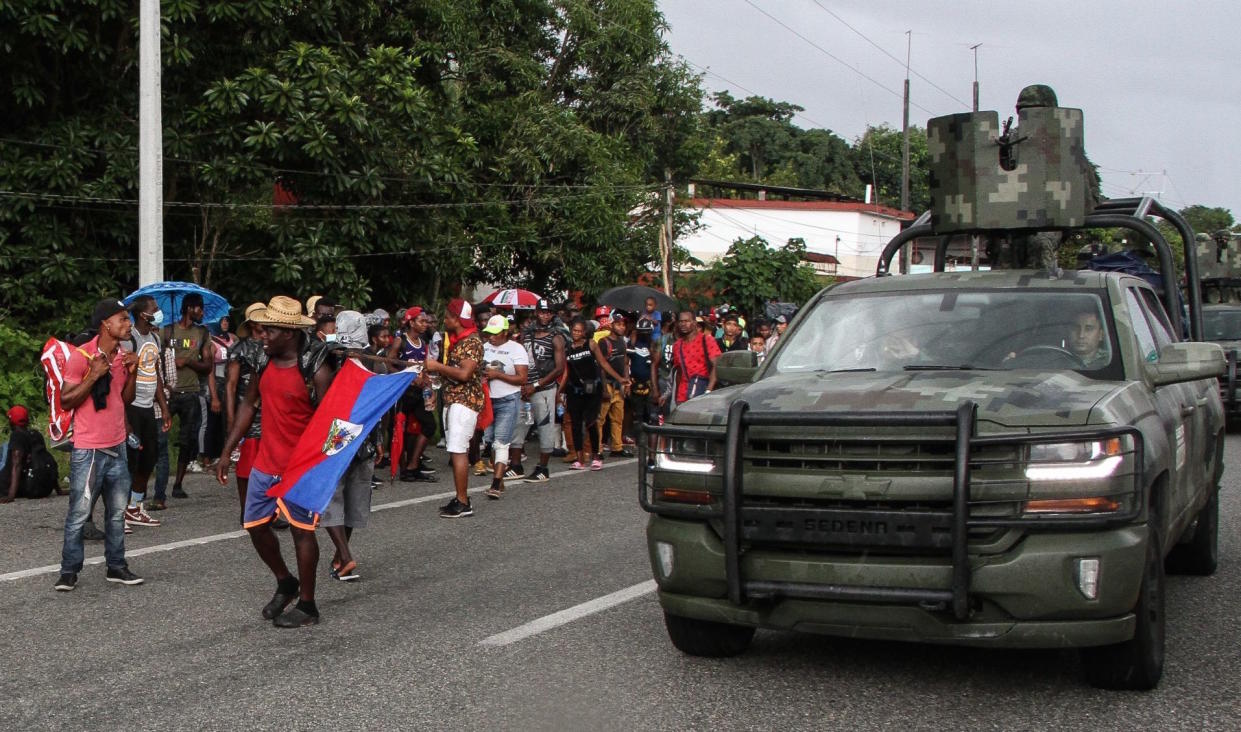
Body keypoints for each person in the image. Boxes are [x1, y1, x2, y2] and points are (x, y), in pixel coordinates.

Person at [216, 295, 336, 627]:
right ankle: (286, 581)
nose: (262, 336)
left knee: (301, 533)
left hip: (300, 467)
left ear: (288, 332)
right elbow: (249, 405)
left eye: (269, 330)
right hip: (265, 463)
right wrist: (228, 449)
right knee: (254, 526)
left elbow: (330, 423)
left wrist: (321, 467)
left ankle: (308, 606)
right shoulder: (264, 362)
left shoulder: (316, 369)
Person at [55, 298, 144, 591]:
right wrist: (93, 376)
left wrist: (134, 372)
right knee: (79, 513)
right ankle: (69, 571)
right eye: (123, 319)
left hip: (118, 445)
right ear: (106, 324)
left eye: (128, 319)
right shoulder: (82, 356)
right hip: (89, 449)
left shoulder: (124, 354)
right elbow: (66, 400)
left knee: (117, 514)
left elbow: (125, 399)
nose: (128, 324)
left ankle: (116, 566)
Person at [321, 311, 376, 582]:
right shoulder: (376, 363)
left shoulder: (330, 360)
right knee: (353, 497)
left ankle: (344, 555)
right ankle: (340, 557)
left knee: (332, 497)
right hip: (366, 439)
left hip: (338, 436)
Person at [424, 299, 483, 518]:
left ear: (457, 320)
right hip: (454, 400)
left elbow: (465, 374)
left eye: (448, 317)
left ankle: (463, 502)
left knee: (459, 451)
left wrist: (437, 366)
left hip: (465, 402)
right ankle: (460, 498)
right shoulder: (459, 340)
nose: (444, 320)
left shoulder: (472, 342)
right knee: (455, 450)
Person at [120, 296, 171, 527]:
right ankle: (119, 512)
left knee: (148, 458)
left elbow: (157, 374)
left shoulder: (154, 338)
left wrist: (164, 406)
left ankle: (134, 507)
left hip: (148, 407)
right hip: (131, 407)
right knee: (129, 461)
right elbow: (121, 376)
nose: (158, 312)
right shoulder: (129, 339)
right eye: (155, 309)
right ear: (143, 314)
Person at [164, 292, 218, 500]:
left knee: (187, 440)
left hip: (191, 393)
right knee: (159, 440)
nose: (202, 312)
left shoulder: (203, 334)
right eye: (199, 308)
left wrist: (188, 362)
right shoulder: (166, 332)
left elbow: (207, 366)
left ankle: (177, 483)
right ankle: (159, 483)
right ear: (189, 308)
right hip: (168, 393)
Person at [564, 318, 629, 470]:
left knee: (592, 422)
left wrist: (620, 379)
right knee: (575, 424)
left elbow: (603, 363)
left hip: (593, 388)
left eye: (579, 331)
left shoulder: (591, 344)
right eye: (574, 330)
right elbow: (566, 371)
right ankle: (579, 459)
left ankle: (596, 455)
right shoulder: (568, 348)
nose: (576, 333)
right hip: (574, 389)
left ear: (584, 332)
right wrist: (559, 393)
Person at [225, 303, 267, 524]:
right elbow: (231, 386)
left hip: (269, 414)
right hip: (247, 415)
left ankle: (269, 510)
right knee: (245, 468)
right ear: (251, 324)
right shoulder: (239, 349)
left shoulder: (271, 346)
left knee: (270, 465)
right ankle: (246, 510)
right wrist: (232, 419)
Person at [481, 314, 529, 499]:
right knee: (489, 440)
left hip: (508, 399)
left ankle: (495, 483)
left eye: (495, 333)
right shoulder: (484, 348)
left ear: (505, 332)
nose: (491, 337)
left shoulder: (516, 349)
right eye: (489, 333)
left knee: (501, 441)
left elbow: (522, 378)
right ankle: (499, 478)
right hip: (487, 400)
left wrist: (498, 375)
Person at [519, 299, 566, 483]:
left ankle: (543, 468)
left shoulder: (556, 337)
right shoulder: (526, 335)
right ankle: (516, 465)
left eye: (548, 312)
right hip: (524, 388)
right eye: (541, 312)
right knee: (519, 425)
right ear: (536, 312)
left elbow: (559, 368)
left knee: (545, 428)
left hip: (544, 388)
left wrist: (536, 385)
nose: (544, 315)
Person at [389, 307, 437, 482]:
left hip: (418, 392)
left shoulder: (423, 343)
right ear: (411, 322)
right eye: (421, 321)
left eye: (426, 321)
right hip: (403, 392)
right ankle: (404, 469)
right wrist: (406, 379)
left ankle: (412, 465)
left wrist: (428, 385)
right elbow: (389, 364)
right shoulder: (400, 341)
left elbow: (423, 367)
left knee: (428, 426)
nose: (425, 324)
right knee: (401, 429)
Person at [202, 314, 238, 471]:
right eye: (221, 320)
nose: (225, 323)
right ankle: (208, 457)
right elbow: (209, 370)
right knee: (213, 421)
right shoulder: (211, 343)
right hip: (216, 382)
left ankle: (229, 453)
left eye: (227, 320)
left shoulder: (233, 338)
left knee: (230, 419)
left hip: (231, 380)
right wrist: (214, 395)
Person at [2, 405, 57, 502]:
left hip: (22, 486)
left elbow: (17, 464)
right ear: (27, 420)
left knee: (4, 448)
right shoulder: (36, 434)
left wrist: (11, 495)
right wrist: (58, 489)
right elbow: (45, 461)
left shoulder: (16, 436)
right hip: (40, 486)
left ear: (11, 421)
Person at [596, 314, 632, 458]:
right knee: (600, 419)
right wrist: (604, 388)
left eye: (623, 324)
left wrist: (626, 380)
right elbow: (601, 366)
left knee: (618, 418)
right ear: (611, 325)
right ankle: (597, 449)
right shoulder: (604, 342)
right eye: (618, 324)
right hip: (608, 385)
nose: (621, 327)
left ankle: (617, 447)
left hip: (619, 386)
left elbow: (625, 362)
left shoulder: (623, 342)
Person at [671, 310, 721, 404]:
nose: (683, 324)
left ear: (694, 323)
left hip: (702, 391)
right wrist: (676, 396)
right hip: (683, 393)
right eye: (681, 321)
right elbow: (679, 372)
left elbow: (716, 365)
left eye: (687, 321)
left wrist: (709, 390)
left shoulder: (707, 340)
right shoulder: (677, 345)